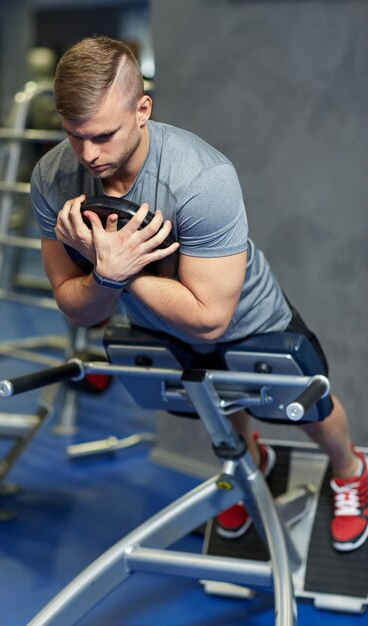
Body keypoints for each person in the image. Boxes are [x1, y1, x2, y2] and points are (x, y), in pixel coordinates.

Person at [30, 36, 368, 553]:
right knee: (213, 406)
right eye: (75, 136)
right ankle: (250, 464)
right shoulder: (52, 178)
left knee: (309, 408)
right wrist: (105, 278)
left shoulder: (200, 178)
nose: (88, 154)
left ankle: (351, 471)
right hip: (155, 321)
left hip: (249, 318)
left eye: (103, 135)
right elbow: (75, 310)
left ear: (143, 109)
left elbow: (211, 318)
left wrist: (115, 269)